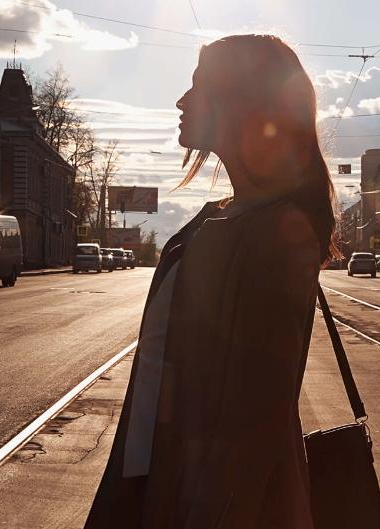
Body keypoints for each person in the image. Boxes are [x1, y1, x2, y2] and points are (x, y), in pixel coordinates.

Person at [84, 34, 338, 529]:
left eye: (198, 86)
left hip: (211, 503)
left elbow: (253, 419)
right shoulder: (217, 221)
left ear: (239, 101)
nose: (182, 100)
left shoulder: (274, 236)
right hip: (158, 484)